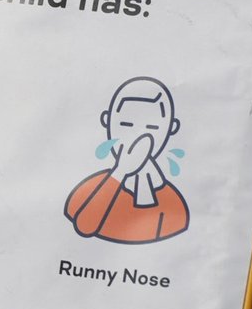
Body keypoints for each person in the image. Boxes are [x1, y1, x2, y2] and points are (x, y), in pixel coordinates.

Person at [64, 77, 189, 244]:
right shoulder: (89, 191)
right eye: (125, 125)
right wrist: (120, 172)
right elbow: (84, 227)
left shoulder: (171, 203)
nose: (137, 139)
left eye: (152, 128)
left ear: (171, 128)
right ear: (107, 120)